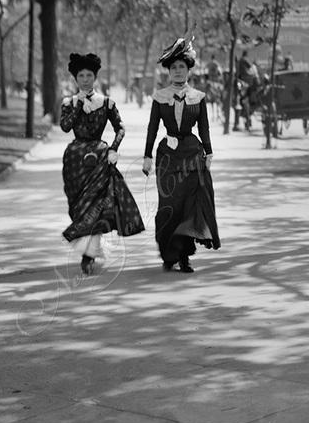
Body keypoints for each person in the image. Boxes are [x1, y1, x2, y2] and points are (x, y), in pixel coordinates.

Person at [59, 52, 145, 274]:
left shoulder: (106, 103)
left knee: (96, 205)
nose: (85, 79)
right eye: (81, 75)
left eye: (89, 75)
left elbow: (121, 128)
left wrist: (114, 149)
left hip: (99, 157)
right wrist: (78, 104)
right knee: (77, 206)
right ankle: (88, 248)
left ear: (95, 77)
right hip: (75, 160)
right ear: (75, 78)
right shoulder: (68, 102)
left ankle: (88, 255)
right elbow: (66, 127)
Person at [142, 38, 220, 273]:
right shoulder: (160, 97)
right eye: (174, 67)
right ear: (168, 71)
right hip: (167, 157)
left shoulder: (199, 97)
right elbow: (152, 128)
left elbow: (204, 127)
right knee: (170, 206)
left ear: (188, 70)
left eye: (182, 67)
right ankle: (169, 254)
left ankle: (185, 256)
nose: (178, 71)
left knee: (190, 207)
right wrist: (147, 156)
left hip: (192, 155)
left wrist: (208, 151)